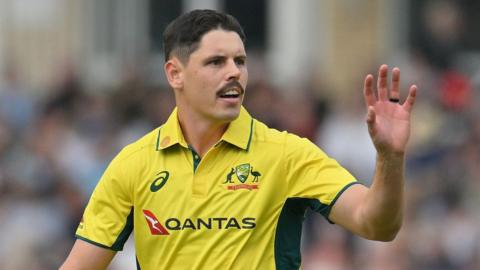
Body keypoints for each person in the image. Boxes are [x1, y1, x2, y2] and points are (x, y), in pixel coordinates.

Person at [60, 9, 417, 270]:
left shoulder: (287, 154)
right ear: (175, 74)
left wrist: (389, 157)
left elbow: (377, 224)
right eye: (216, 62)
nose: (234, 72)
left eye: (240, 61)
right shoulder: (133, 163)